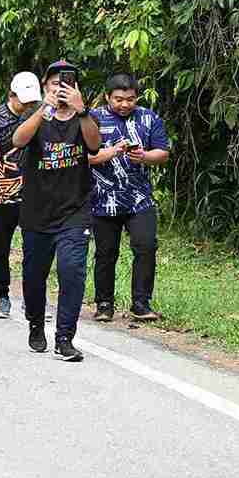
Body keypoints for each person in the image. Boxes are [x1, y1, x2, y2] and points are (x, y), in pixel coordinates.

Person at [11, 60, 102, 362]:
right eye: (54, 84)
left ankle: (65, 338)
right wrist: (42, 110)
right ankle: (36, 322)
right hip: (37, 211)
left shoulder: (84, 117)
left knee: (71, 271)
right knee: (34, 277)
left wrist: (82, 110)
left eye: (67, 84)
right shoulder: (36, 116)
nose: (60, 89)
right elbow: (18, 140)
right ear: (45, 86)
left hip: (74, 211)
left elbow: (94, 145)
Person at [88, 74, 172, 322]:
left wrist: (145, 156)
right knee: (105, 252)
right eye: (118, 99)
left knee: (146, 246)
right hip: (102, 198)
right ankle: (104, 304)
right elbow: (85, 157)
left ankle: (141, 303)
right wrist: (111, 152)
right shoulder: (93, 118)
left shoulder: (149, 117)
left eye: (130, 99)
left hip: (139, 198)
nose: (124, 104)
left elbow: (163, 153)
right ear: (107, 97)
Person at [0, 72, 42, 319]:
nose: (28, 105)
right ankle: (2, 296)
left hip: (32, 194)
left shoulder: (41, 116)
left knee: (34, 249)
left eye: (32, 101)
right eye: (24, 101)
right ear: (11, 95)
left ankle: (32, 298)